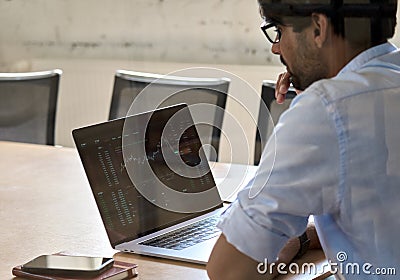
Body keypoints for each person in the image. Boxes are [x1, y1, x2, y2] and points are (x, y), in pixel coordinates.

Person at [207, 0, 400, 279]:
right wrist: (302, 238)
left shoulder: (327, 109)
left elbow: (228, 272)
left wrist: (311, 109)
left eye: (279, 31)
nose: (276, 47)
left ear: (319, 28)